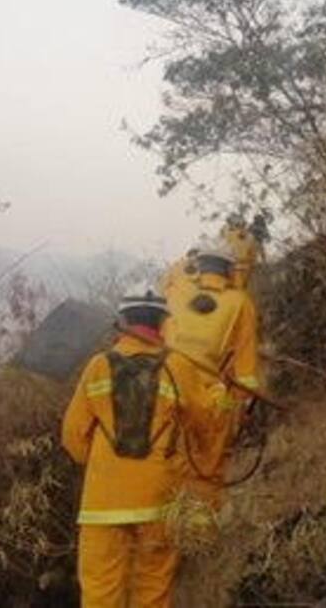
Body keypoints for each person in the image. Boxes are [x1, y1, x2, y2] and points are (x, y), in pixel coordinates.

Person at [61, 292, 201, 608]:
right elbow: (205, 425)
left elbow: (72, 435)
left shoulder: (98, 367)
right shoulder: (178, 367)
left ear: (123, 323)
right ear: (163, 323)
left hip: (102, 503)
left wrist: (101, 466)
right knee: (152, 590)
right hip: (158, 502)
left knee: (100, 594)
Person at [164, 243, 263, 522]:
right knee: (209, 461)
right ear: (230, 271)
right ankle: (199, 527)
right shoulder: (240, 302)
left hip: (167, 387)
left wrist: (185, 260)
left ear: (198, 267)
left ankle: (168, 521)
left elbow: (168, 280)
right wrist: (241, 407)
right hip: (212, 395)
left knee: (170, 456)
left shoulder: (177, 293)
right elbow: (245, 368)